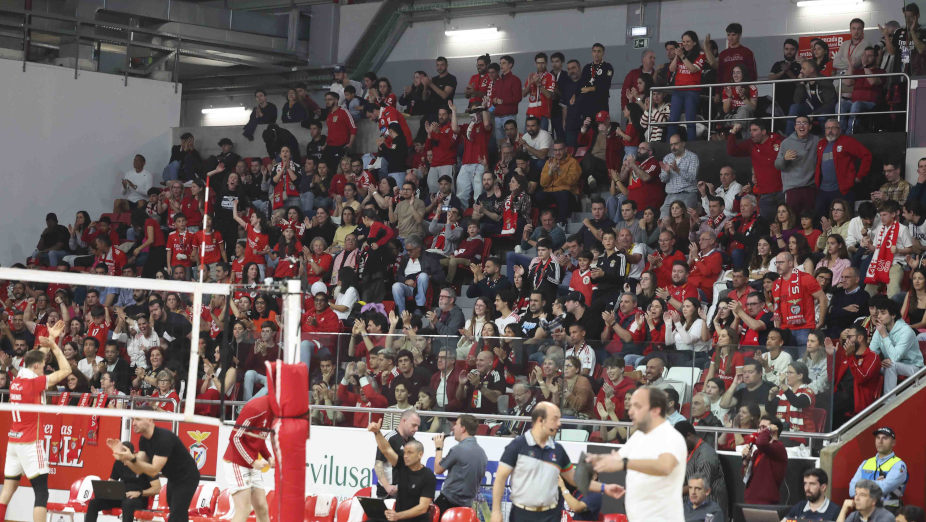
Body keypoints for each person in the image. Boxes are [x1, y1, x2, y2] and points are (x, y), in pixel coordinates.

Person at [0, 321, 69, 522]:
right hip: (30, 442)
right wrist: (55, 347)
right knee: (41, 492)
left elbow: (36, 357)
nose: (44, 367)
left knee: (8, 490)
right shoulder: (34, 383)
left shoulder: (19, 378)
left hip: (13, 441)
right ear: (37, 367)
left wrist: (51, 336)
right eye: (42, 366)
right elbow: (65, 371)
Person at [585, 387, 686, 521]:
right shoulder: (639, 435)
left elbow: (665, 466)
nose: (631, 411)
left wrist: (625, 463)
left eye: (637, 406)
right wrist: (599, 459)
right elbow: (618, 458)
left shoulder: (671, 436)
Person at [109, 410, 201, 522]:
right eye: (133, 419)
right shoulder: (143, 440)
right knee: (177, 512)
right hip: (173, 478)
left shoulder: (163, 438)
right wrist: (124, 458)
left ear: (149, 419)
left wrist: (131, 458)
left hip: (187, 477)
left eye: (137, 419)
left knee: (176, 515)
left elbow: (153, 470)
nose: (133, 423)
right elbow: (138, 468)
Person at [490, 402, 575, 522]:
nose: (559, 424)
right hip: (521, 515)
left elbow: (575, 479)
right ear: (541, 420)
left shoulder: (558, 450)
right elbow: (500, 479)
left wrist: (602, 485)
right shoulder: (517, 446)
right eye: (555, 419)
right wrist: (496, 511)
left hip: (551, 515)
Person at [220, 393, 275, 522]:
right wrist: (252, 461)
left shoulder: (275, 411)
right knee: (244, 509)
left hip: (252, 464)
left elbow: (259, 439)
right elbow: (235, 437)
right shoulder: (257, 408)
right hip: (236, 462)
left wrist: (269, 457)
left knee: (262, 508)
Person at [367, 419, 436, 522]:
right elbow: (386, 450)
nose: (406, 456)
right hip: (399, 518)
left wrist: (398, 516)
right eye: (404, 452)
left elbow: (422, 508)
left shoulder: (428, 476)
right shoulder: (402, 466)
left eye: (410, 453)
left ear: (420, 455)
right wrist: (377, 432)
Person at [85, 440, 160, 522]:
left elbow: (157, 488)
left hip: (138, 499)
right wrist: (106, 491)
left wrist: (139, 493)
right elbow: (112, 482)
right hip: (121, 497)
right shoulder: (118, 462)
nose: (124, 464)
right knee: (94, 502)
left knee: (127, 504)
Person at [814, 118, 872, 218]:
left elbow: (867, 155)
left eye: (833, 128)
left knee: (843, 221)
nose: (830, 131)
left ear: (839, 129)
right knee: (821, 220)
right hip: (823, 190)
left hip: (842, 190)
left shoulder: (847, 141)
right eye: (828, 128)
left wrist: (860, 176)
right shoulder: (821, 143)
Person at [432, 415, 487, 512]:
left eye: (456, 424)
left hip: (448, 503)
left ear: (463, 428)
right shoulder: (482, 453)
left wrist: (439, 447)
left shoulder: (458, 449)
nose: (453, 427)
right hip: (467, 507)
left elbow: (437, 469)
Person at [869, 295, 924, 393]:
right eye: (878, 313)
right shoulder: (880, 329)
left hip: (914, 368)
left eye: (883, 313)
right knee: (871, 367)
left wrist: (884, 335)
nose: (879, 316)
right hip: (891, 364)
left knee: (891, 365)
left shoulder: (906, 331)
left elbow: (895, 357)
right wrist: (878, 363)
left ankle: (889, 402)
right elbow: (871, 353)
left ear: (893, 315)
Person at [675, 421, 728, 518]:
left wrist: (674, 491)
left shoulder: (706, 455)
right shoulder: (690, 451)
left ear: (689, 436)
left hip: (709, 511)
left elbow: (700, 484)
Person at [849, 427, 909, 512]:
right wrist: (875, 483)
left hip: (889, 510)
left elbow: (883, 488)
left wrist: (863, 485)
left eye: (885, 438)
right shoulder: (866, 462)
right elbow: (852, 489)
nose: (880, 441)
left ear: (893, 443)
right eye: (878, 438)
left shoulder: (899, 465)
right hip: (865, 510)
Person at [374, 409, 421, 498]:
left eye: (418, 426)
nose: (416, 429)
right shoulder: (389, 438)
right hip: (387, 493)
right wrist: (387, 486)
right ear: (404, 421)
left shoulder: (413, 442)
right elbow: (378, 464)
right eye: (414, 425)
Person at [742, 415, 788, 505]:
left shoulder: (779, 447)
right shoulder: (757, 452)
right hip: (750, 500)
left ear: (774, 429)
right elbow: (746, 478)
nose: (760, 431)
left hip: (766, 503)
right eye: (759, 428)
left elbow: (761, 442)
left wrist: (768, 430)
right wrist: (745, 461)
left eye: (764, 427)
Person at [659, 133, 699, 220]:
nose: (673, 147)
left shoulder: (692, 157)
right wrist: (667, 172)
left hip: (687, 194)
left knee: (683, 220)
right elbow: (663, 179)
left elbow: (692, 178)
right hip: (671, 195)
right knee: (663, 220)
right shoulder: (667, 158)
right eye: (671, 145)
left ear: (683, 143)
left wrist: (678, 170)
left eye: (676, 144)